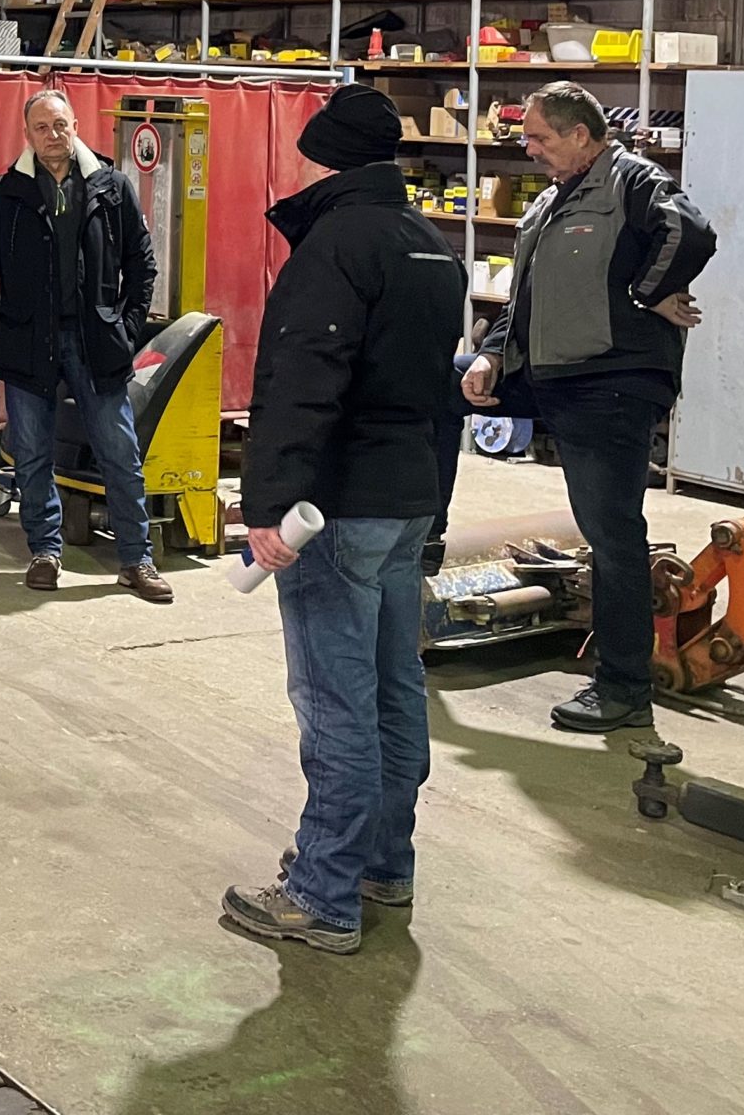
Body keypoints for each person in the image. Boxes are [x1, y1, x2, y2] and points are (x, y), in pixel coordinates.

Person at [219, 83, 467, 956]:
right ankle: (382, 865)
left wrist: (267, 505)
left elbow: (302, 381)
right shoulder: (432, 245)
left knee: (336, 702)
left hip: (337, 504)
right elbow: (444, 397)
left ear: (324, 158)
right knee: (396, 688)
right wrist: (436, 502)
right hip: (406, 497)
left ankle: (321, 893)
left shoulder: (337, 245)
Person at [464, 80, 716, 734]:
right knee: (430, 392)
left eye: (540, 137)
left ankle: (625, 688)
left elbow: (690, 233)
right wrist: (491, 355)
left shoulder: (631, 180)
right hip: (556, 377)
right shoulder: (551, 201)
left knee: (612, 535)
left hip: (612, 383)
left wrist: (647, 291)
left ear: (581, 134)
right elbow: (525, 298)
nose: (529, 148)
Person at [0, 88, 171, 601]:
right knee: (32, 454)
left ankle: (136, 560)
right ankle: (44, 552)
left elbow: (142, 265)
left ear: (75, 126)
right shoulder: (5, 192)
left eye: (60, 125)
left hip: (96, 343)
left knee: (119, 453)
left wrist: (125, 328)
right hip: (28, 342)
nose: (53, 135)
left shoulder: (111, 187)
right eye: (42, 127)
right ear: (27, 135)